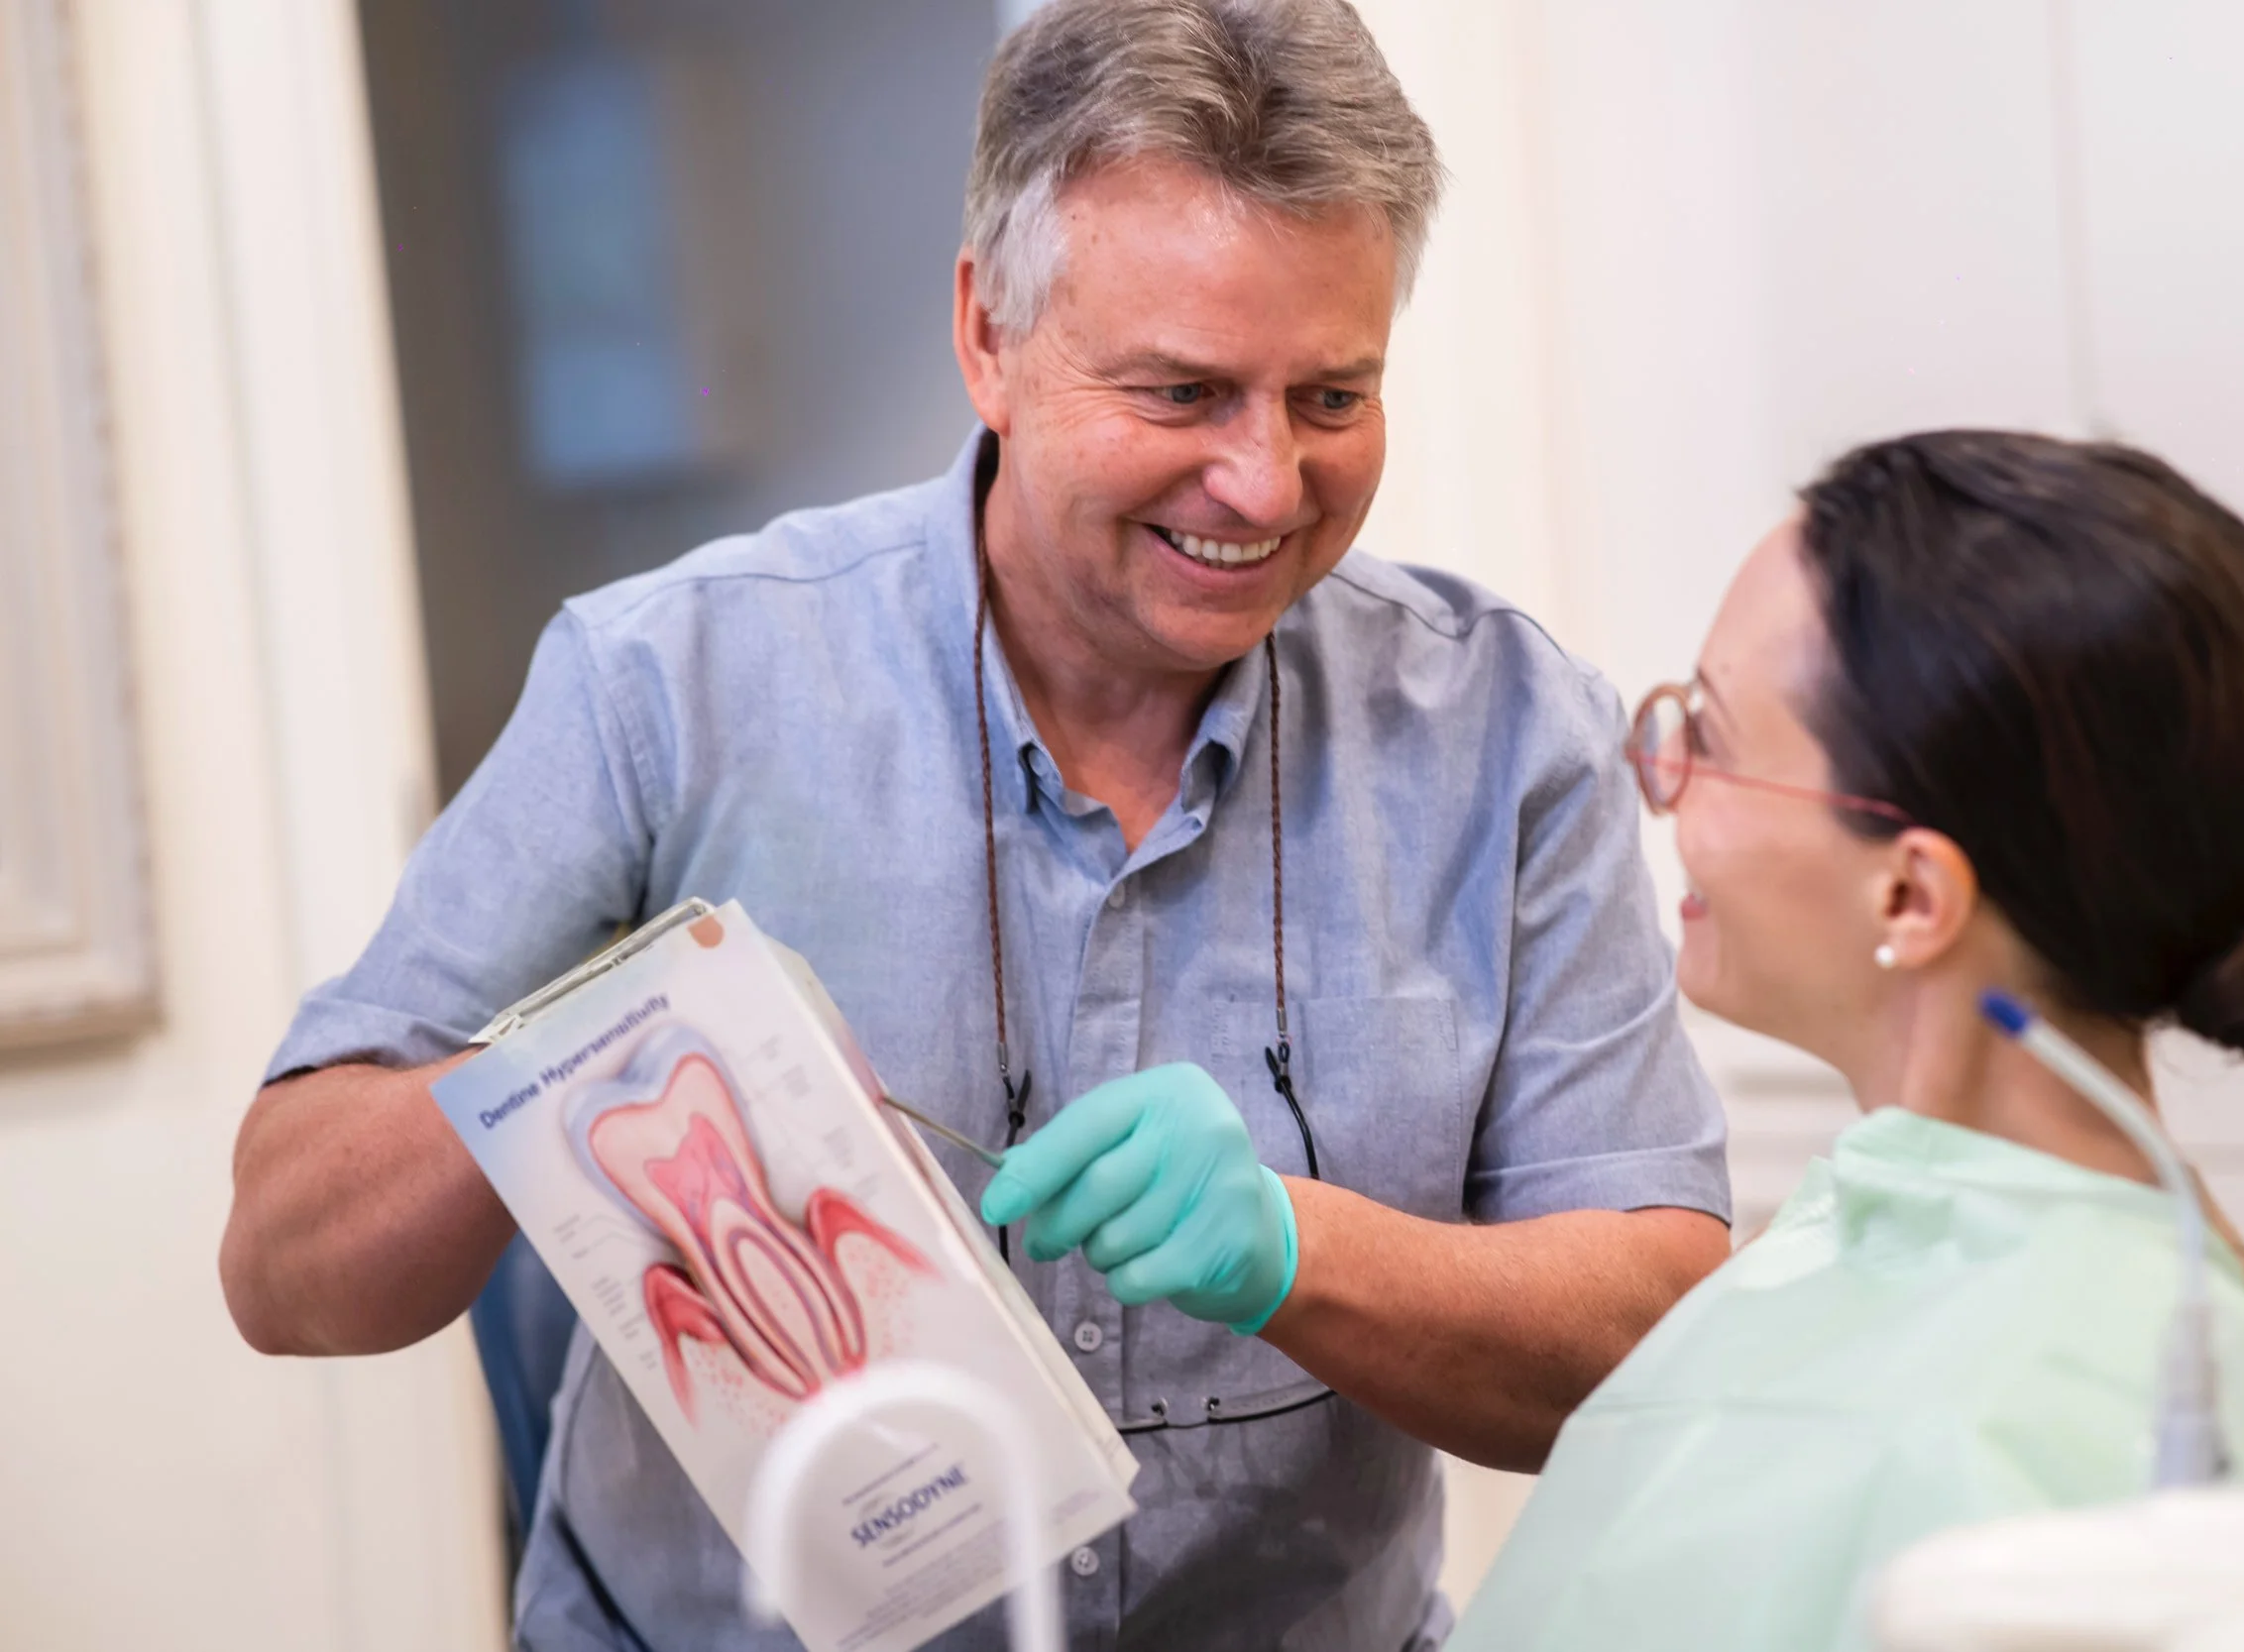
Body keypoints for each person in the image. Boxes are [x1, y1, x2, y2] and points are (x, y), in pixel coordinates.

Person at [216, 4, 1733, 1649]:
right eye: (1183, 389)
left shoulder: (1509, 732)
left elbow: (1651, 1337)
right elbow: (286, 1265)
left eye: (1332, 396)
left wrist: (1302, 1249)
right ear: (987, 334)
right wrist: (594, 1058)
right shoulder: (672, 679)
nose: (1263, 480)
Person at [1448, 431, 2244, 1652]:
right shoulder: (1888, 1242)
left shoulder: (2083, 1436)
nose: (1658, 776)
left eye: (1709, 736)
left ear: (1910, 898)